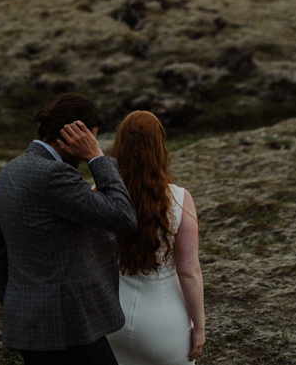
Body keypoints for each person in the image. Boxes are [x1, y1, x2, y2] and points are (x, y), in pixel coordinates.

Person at [0, 93, 138, 365]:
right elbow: (123, 216)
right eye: (91, 139)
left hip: (28, 325)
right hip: (67, 328)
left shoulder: (9, 171)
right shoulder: (54, 176)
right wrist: (97, 158)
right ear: (74, 135)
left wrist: (15, 307)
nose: (93, 145)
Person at [69, 110, 206, 365]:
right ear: (160, 149)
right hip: (165, 325)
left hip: (110, 320)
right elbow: (189, 272)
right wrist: (199, 327)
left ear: (119, 144)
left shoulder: (98, 192)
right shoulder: (179, 198)